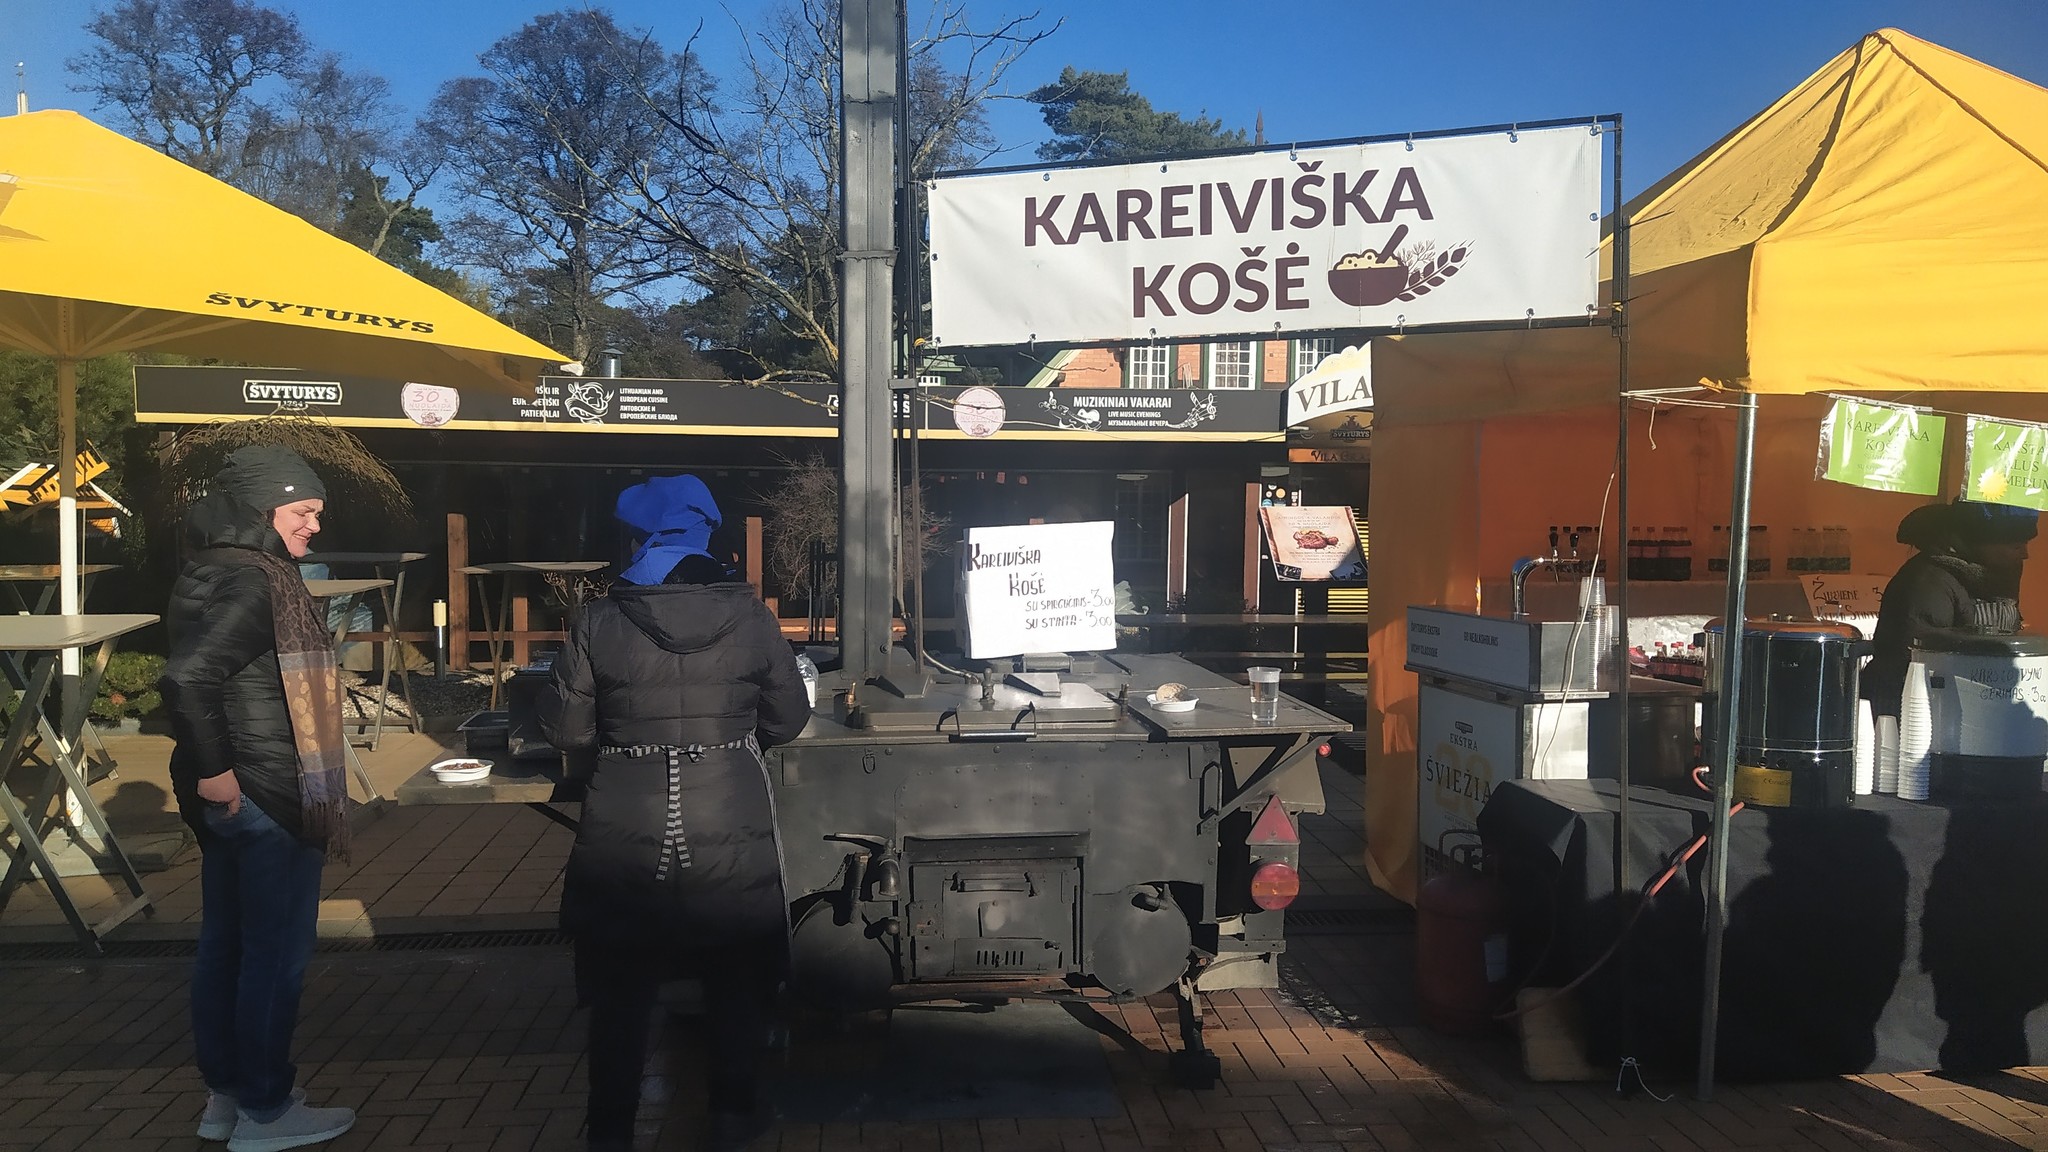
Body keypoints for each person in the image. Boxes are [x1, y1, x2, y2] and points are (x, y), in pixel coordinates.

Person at [539, 474, 810, 1152]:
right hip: (729, 818)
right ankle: (731, 1121)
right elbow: (790, 717)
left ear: (638, 539)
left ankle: (610, 1134)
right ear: (706, 535)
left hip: (624, 828)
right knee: (734, 988)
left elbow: (567, 734)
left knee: (622, 999)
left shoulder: (599, 620)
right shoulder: (750, 618)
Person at [159, 445, 357, 1152]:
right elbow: (186, 679)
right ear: (262, 508)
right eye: (303, 511)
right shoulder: (258, 582)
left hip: (234, 796)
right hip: (264, 791)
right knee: (273, 956)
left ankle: (228, 1097)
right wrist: (218, 772)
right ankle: (267, 1112)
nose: (313, 528)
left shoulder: (210, 563)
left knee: (226, 947)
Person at [1863, 498, 2038, 718]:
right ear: (1981, 541)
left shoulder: (2000, 574)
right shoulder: (1926, 581)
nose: (2025, 554)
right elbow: (1916, 659)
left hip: (1976, 708)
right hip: (1914, 711)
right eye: (2015, 546)